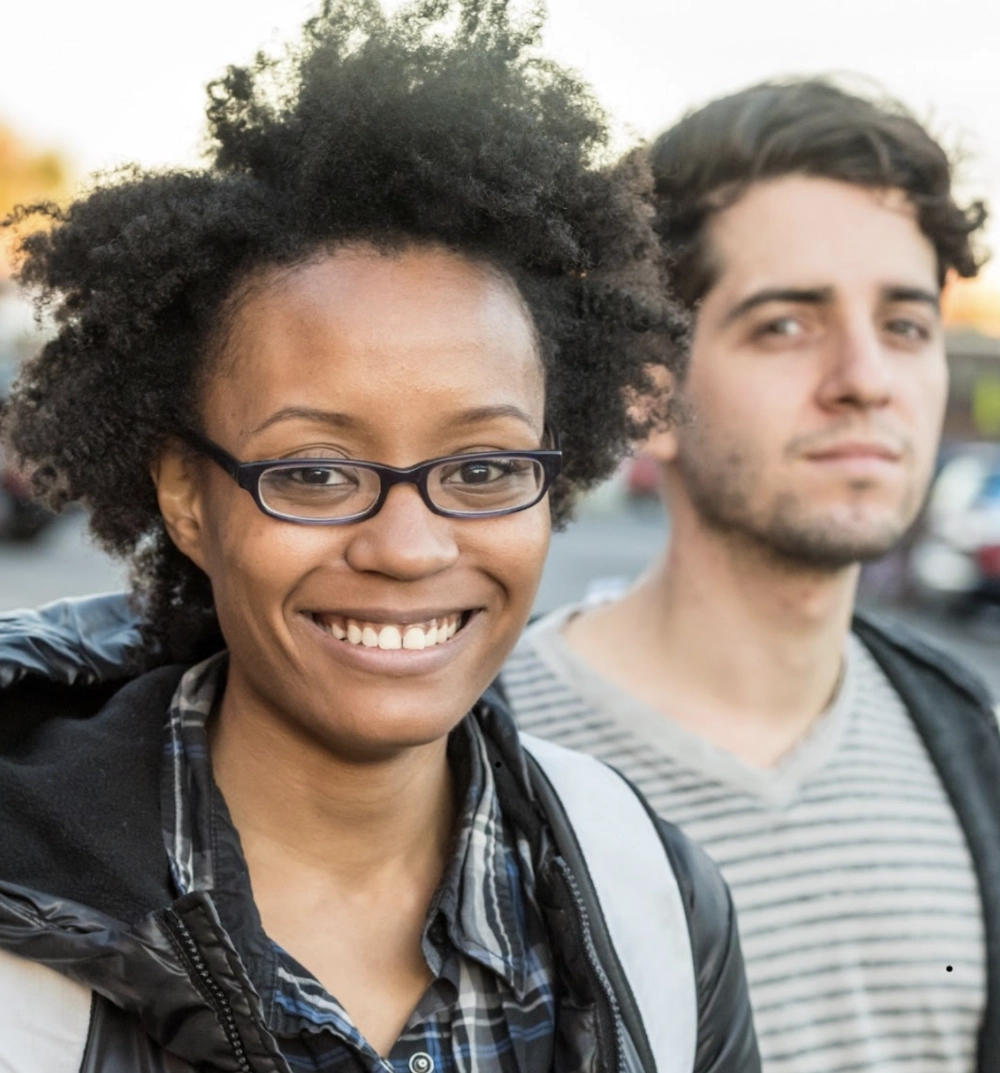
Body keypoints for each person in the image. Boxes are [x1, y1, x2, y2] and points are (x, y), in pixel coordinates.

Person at [0, 2, 759, 1071]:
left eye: (484, 468)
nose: (408, 547)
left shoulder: (650, 900)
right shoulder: (21, 934)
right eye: (313, 472)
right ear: (185, 495)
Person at [503, 79, 1000, 1073]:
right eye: (785, 323)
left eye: (904, 324)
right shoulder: (471, 750)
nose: (866, 375)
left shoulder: (970, 739)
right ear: (647, 401)